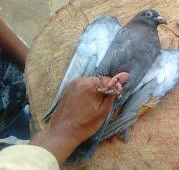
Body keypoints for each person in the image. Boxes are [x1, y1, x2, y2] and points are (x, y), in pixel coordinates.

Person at [0, 18, 129, 169]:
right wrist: (63, 134)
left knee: (29, 122)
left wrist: (32, 69)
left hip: (17, 86)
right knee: (30, 130)